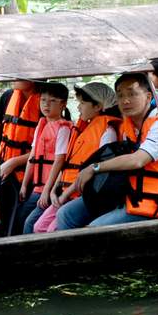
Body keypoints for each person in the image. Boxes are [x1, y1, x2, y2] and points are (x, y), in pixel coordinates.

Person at [55, 72, 158, 229]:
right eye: (120, 95)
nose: (125, 100)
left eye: (132, 94)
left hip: (156, 205)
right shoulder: (128, 128)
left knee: (93, 230)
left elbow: (138, 159)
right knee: (66, 214)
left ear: (148, 96)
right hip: (128, 196)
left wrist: (94, 167)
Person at [36, 81, 119, 232]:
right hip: (65, 191)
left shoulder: (108, 133)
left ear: (98, 106)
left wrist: (63, 196)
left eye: (82, 103)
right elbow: (68, 164)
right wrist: (55, 190)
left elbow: (95, 173)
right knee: (38, 227)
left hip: (81, 194)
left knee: (50, 231)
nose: (79, 107)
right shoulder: (83, 129)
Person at [12, 82, 73, 235]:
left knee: (29, 222)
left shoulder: (64, 128)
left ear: (63, 104)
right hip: (37, 186)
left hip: (51, 188)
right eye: (43, 100)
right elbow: (33, 156)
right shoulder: (42, 124)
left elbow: (60, 161)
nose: (46, 104)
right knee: (19, 217)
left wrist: (47, 191)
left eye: (52, 101)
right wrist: (25, 184)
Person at [0, 78, 41, 236]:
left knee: (17, 218)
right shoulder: (7, 96)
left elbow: (44, 148)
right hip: (2, 166)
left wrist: (14, 162)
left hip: (29, 173)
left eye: (19, 75)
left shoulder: (45, 102)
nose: (13, 78)